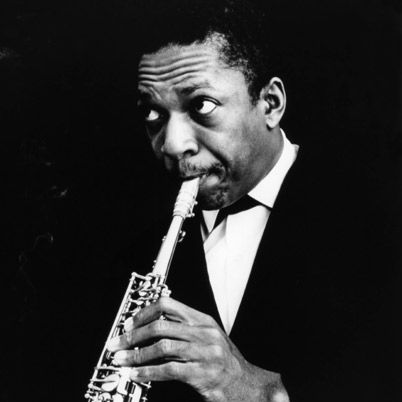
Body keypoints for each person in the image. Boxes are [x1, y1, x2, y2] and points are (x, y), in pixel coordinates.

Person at [103, 1, 397, 401]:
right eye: (154, 114)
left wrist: (259, 390)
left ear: (270, 103)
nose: (172, 145)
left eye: (201, 105)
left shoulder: (381, 215)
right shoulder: (130, 251)